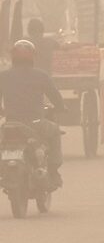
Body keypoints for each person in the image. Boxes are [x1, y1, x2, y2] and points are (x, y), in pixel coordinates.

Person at [0, 40, 65, 186]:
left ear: (13, 58)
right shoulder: (41, 75)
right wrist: (61, 107)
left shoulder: (3, 77)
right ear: (32, 58)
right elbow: (55, 96)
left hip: (11, 125)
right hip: (36, 124)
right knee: (55, 131)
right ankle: (53, 171)